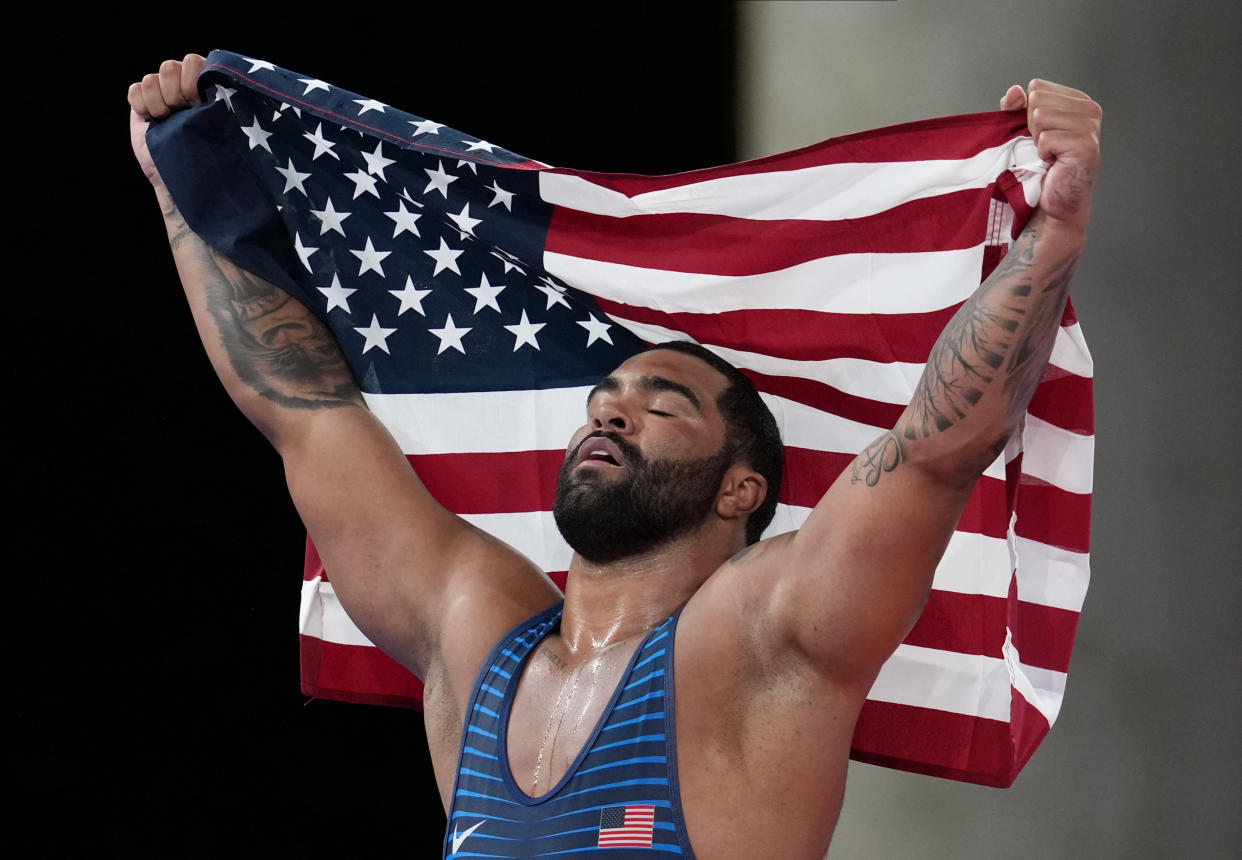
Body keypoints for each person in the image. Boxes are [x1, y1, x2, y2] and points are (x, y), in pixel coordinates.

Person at [128, 55, 1100, 858]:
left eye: (661, 403)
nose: (614, 413)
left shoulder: (762, 639)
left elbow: (933, 451)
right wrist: (183, 189)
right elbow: (302, 407)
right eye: (605, 400)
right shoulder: (473, 631)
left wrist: (1051, 231)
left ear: (743, 487)